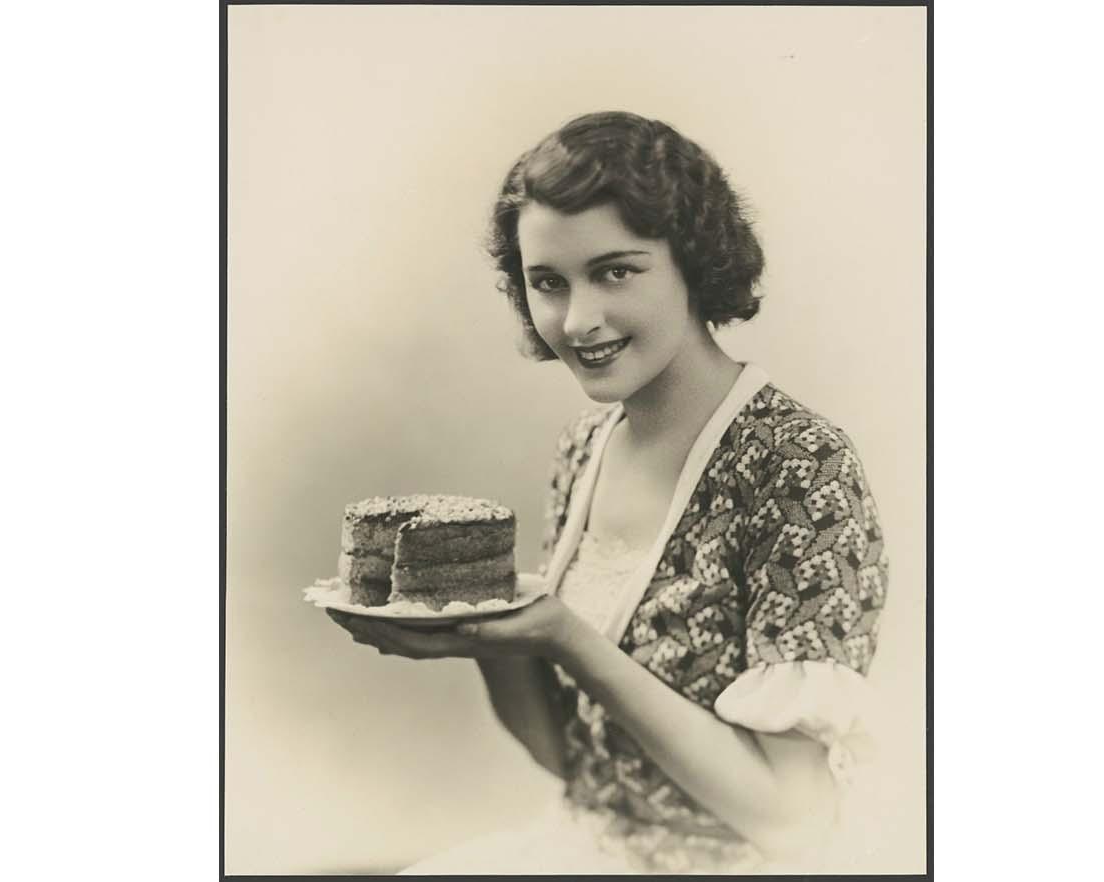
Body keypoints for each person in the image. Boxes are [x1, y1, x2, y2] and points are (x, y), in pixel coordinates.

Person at [327, 111, 889, 874]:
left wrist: (566, 637)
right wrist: (484, 633)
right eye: (548, 283)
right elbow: (573, 763)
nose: (578, 321)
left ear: (693, 259)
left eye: (615, 272)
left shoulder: (797, 467)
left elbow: (793, 823)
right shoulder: (586, 447)